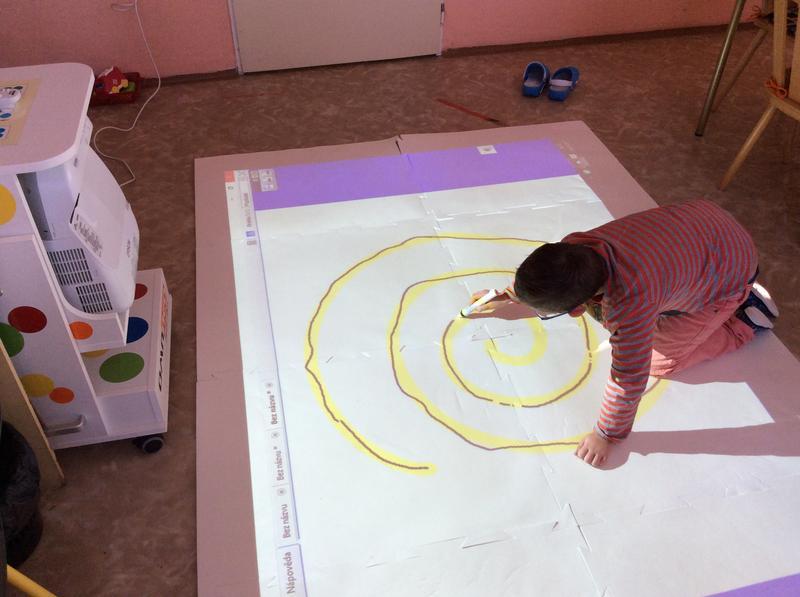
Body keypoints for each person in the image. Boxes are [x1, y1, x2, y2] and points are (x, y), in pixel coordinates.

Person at [472, 199, 778, 468]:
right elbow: (549, 274)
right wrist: (509, 295)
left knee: (660, 363)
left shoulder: (629, 303)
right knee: (625, 314)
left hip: (731, 272)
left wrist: (606, 434)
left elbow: (629, 378)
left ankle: (742, 320)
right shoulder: (577, 247)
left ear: (577, 309)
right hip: (705, 222)